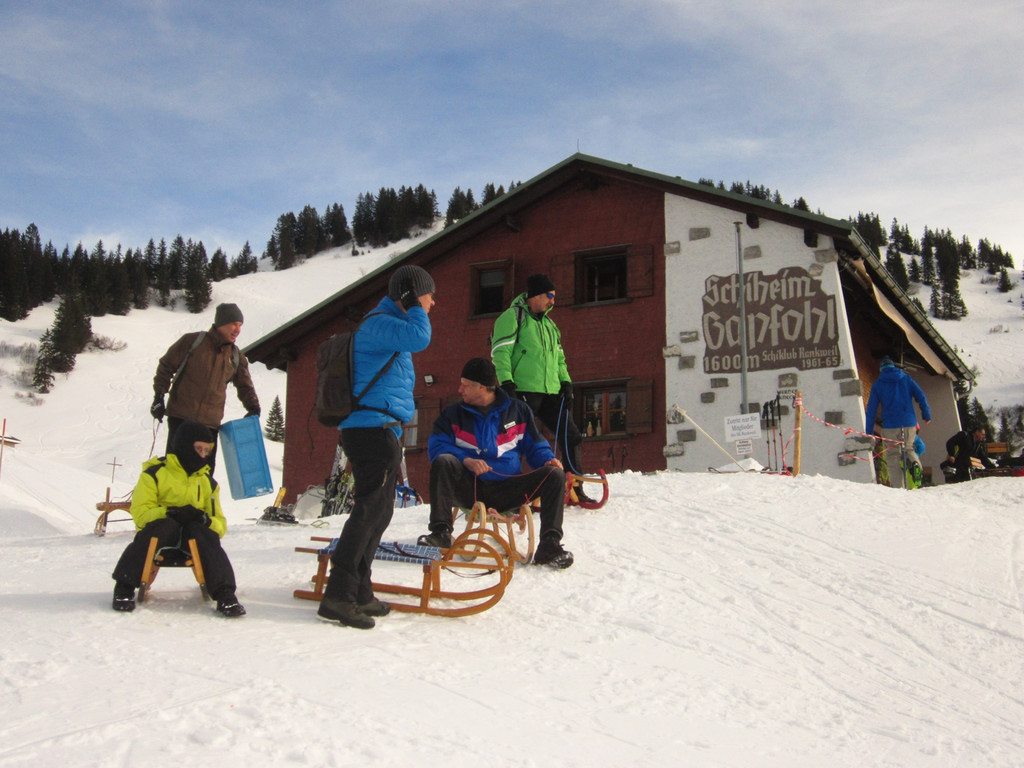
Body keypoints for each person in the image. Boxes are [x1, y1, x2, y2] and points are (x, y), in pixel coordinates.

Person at [317, 264, 435, 630]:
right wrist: (415, 303)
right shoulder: (380, 323)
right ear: (410, 294)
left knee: (379, 513)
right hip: (370, 430)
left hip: (379, 430)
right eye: (429, 294)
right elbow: (420, 338)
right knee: (368, 511)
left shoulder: (385, 326)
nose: (434, 303)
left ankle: (359, 590)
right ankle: (338, 595)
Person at [417, 357, 574, 569]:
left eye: (465, 384)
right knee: (443, 461)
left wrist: (548, 459)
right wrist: (467, 461)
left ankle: (549, 546)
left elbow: (535, 446)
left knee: (554, 474)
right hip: (469, 487)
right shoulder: (452, 414)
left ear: (482, 387)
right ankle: (440, 534)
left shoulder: (518, 411)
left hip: (508, 490)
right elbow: (436, 447)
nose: (459, 389)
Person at [110, 420, 245, 616]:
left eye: (207, 450)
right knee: (163, 526)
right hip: (162, 535)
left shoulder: (207, 481)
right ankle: (124, 587)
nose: (203, 455)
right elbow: (140, 515)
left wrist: (205, 520)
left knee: (202, 532)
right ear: (184, 446)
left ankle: (225, 595)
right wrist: (169, 512)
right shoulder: (155, 473)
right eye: (199, 449)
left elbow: (220, 525)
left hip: (191, 539)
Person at [491, 273, 591, 501]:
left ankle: (575, 487)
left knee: (572, 435)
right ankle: (506, 491)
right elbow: (500, 352)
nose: (552, 302)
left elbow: (560, 358)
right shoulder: (513, 317)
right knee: (515, 440)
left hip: (550, 393)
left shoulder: (550, 326)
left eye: (554, 297)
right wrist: (507, 383)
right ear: (534, 295)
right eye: (549, 296)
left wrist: (566, 382)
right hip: (522, 391)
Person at [150, 302, 261, 474]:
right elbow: (166, 366)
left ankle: (201, 502)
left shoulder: (235, 356)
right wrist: (158, 397)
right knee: (175, 468)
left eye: (240, 325)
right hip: (181, 418)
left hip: (209, 426)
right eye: (234, 323)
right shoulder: (193, 342)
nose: (237, 329)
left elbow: (245, 385)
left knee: (204, 473)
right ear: (221, 323)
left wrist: (253, 407)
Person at [864, 355, 931, 489]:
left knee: (893, 455)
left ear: (882, 369)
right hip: (909, 423)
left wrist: (869, 431)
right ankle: (915, 464)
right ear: (893, 367)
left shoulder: (878, 384)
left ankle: (898, 487)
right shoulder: (906, 379)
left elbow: (871, 410)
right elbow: (921, 396)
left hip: (890, 426)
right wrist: (926, 414)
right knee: (909, 448)